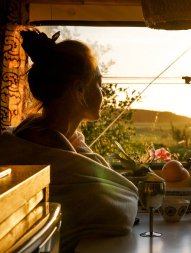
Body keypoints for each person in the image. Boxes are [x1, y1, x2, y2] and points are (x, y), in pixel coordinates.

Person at [0, 29, 138, 252]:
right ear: (79, 89)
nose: (103, 94)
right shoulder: (43, 143)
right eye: (98, 84)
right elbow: (118, 211)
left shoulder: (69, 140)